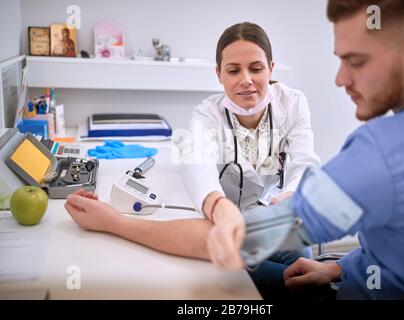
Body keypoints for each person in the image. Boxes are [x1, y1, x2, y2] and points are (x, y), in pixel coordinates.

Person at [207, 0, 404, 300]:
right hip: (348, 272)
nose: (340, 79)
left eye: (356, 61)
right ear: (219, 74)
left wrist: (132, 225)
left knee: (210, 285)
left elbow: (251, 235)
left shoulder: (382, 152)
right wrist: (340, 268)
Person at [65, 23, 320, 263]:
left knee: (301, 261)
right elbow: (195, 160)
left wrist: (291, 195)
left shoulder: (293, 103)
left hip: (275, 215)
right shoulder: (207, 114)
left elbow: (304, 162)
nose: (246, 79)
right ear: (219, 74)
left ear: (271, 68)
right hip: (224, 216)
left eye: (256, 68)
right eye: (233, 70)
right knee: (272, 277)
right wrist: (218, 206)